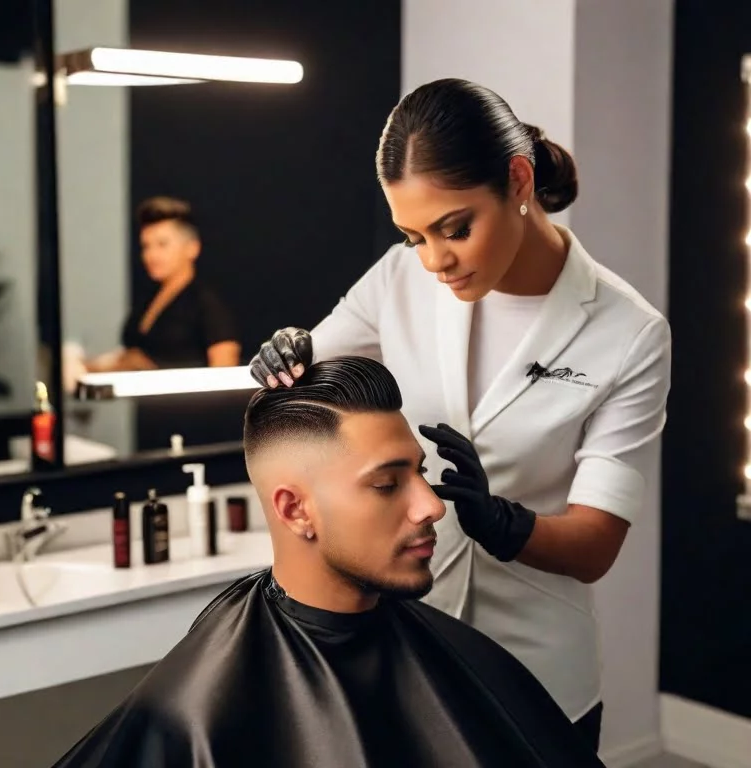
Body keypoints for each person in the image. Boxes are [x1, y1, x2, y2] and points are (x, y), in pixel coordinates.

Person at [250, 78, 673, 751]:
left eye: (456, 228)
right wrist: (283, 362)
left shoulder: (629, 332)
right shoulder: (398, 279)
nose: (436, 260)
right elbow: (301, 393)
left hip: (537, 668)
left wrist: (502, 524)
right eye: (414, 234)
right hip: (405, 646)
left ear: (517, 180)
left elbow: (596, 544)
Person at [52, 356, 605, 768]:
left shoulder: (467, 660)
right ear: (294, 511)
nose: (432, 505)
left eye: (420, 471)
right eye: (388, 484)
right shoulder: (195, 713)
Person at [84, 196, 241, 373]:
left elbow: (224, 378)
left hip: (188, 401)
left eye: (162, 244)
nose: (151, 255)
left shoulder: (207, 306)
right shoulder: (146, 300)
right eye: (146, 246)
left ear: (192, 248)